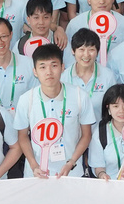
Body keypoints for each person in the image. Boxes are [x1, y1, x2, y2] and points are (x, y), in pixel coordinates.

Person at [13, 43, 97, 177]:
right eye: (42, 67)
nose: (49, 72)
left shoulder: (80, 96)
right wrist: (34, 165)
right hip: (37, 173)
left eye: (54, 65)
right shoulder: (26, 99)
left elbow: (86, 135)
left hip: (71, 171)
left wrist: (71, 162)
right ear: (35, 71)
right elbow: (22, 136)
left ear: (62, 67)